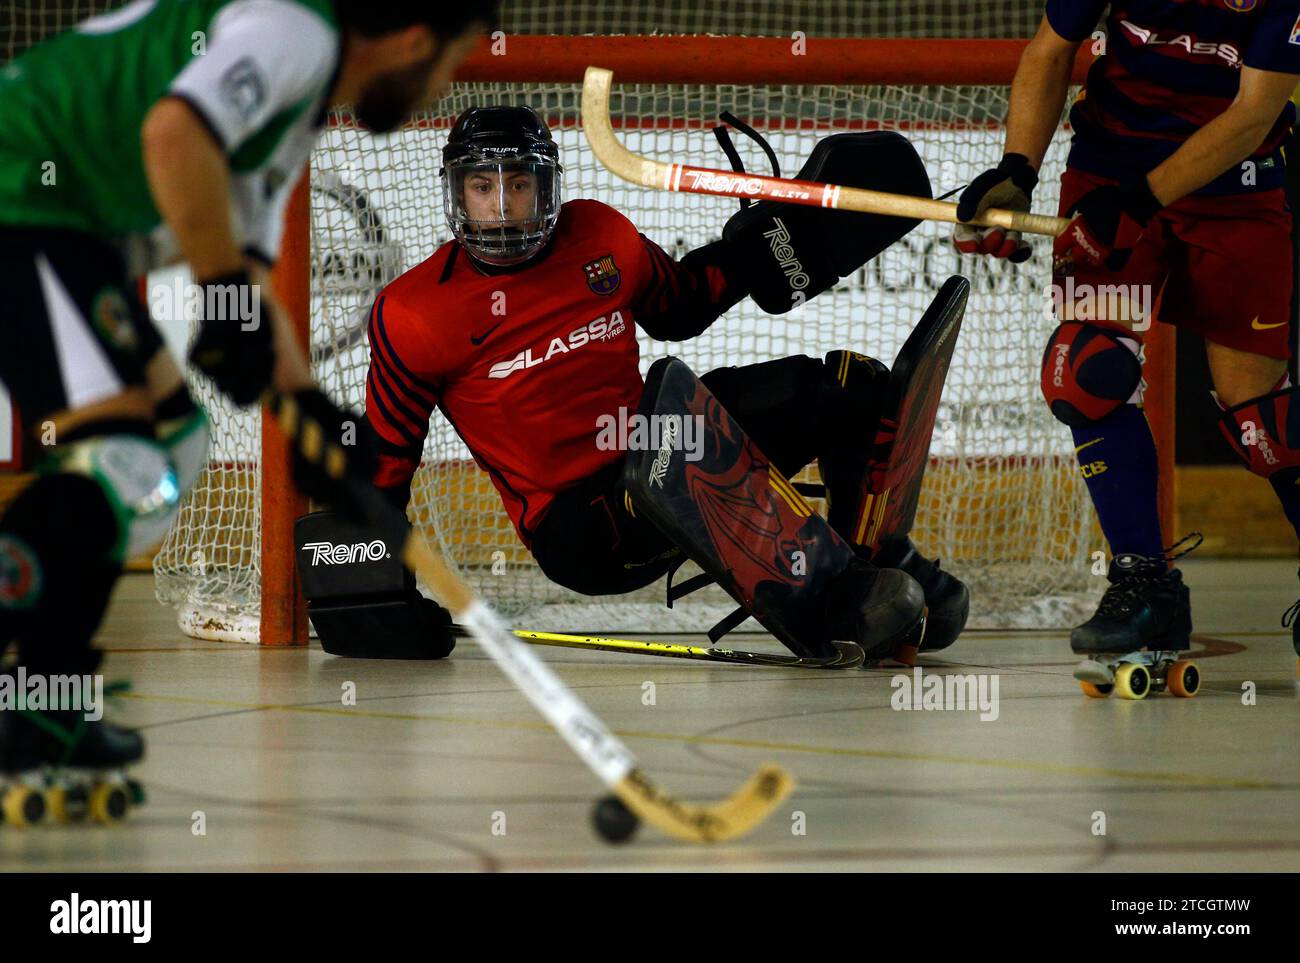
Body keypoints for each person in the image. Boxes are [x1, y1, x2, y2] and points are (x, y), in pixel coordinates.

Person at [0, 0, 498, 825]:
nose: (443, 82)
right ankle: (39, 708)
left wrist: (309, 408)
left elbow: (251, 276)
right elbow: (173, 134)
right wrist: (220, 291)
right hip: (23, 196)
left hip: (60, 226)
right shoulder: (295, 31)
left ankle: (47, 697)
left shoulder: (296, 111)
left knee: (175, 445)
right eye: (452, 59)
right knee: (120, 456)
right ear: (413, 39)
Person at [361, 105, 971, 663]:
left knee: (852, 388)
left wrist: (767, 245)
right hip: (580, 528)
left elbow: (678, 306)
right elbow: (384, 471)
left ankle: (877, 561)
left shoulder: (598, 235)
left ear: (546, 188)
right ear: (456, 194)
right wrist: (378, 600)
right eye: (482, 187)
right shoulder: (414, 314)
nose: (501, 206)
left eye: (519, 185)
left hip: (657, 442)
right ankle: (840, 597)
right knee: (682, 447)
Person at [954, 0, 1300, 668]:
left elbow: (1253, 111)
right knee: (1086, 372)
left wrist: (1138, 203)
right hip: (1108, 166)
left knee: (1264, 422)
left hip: (1236, 188)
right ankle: (1145, 584)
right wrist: (1017, 171)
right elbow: (1051, 49)